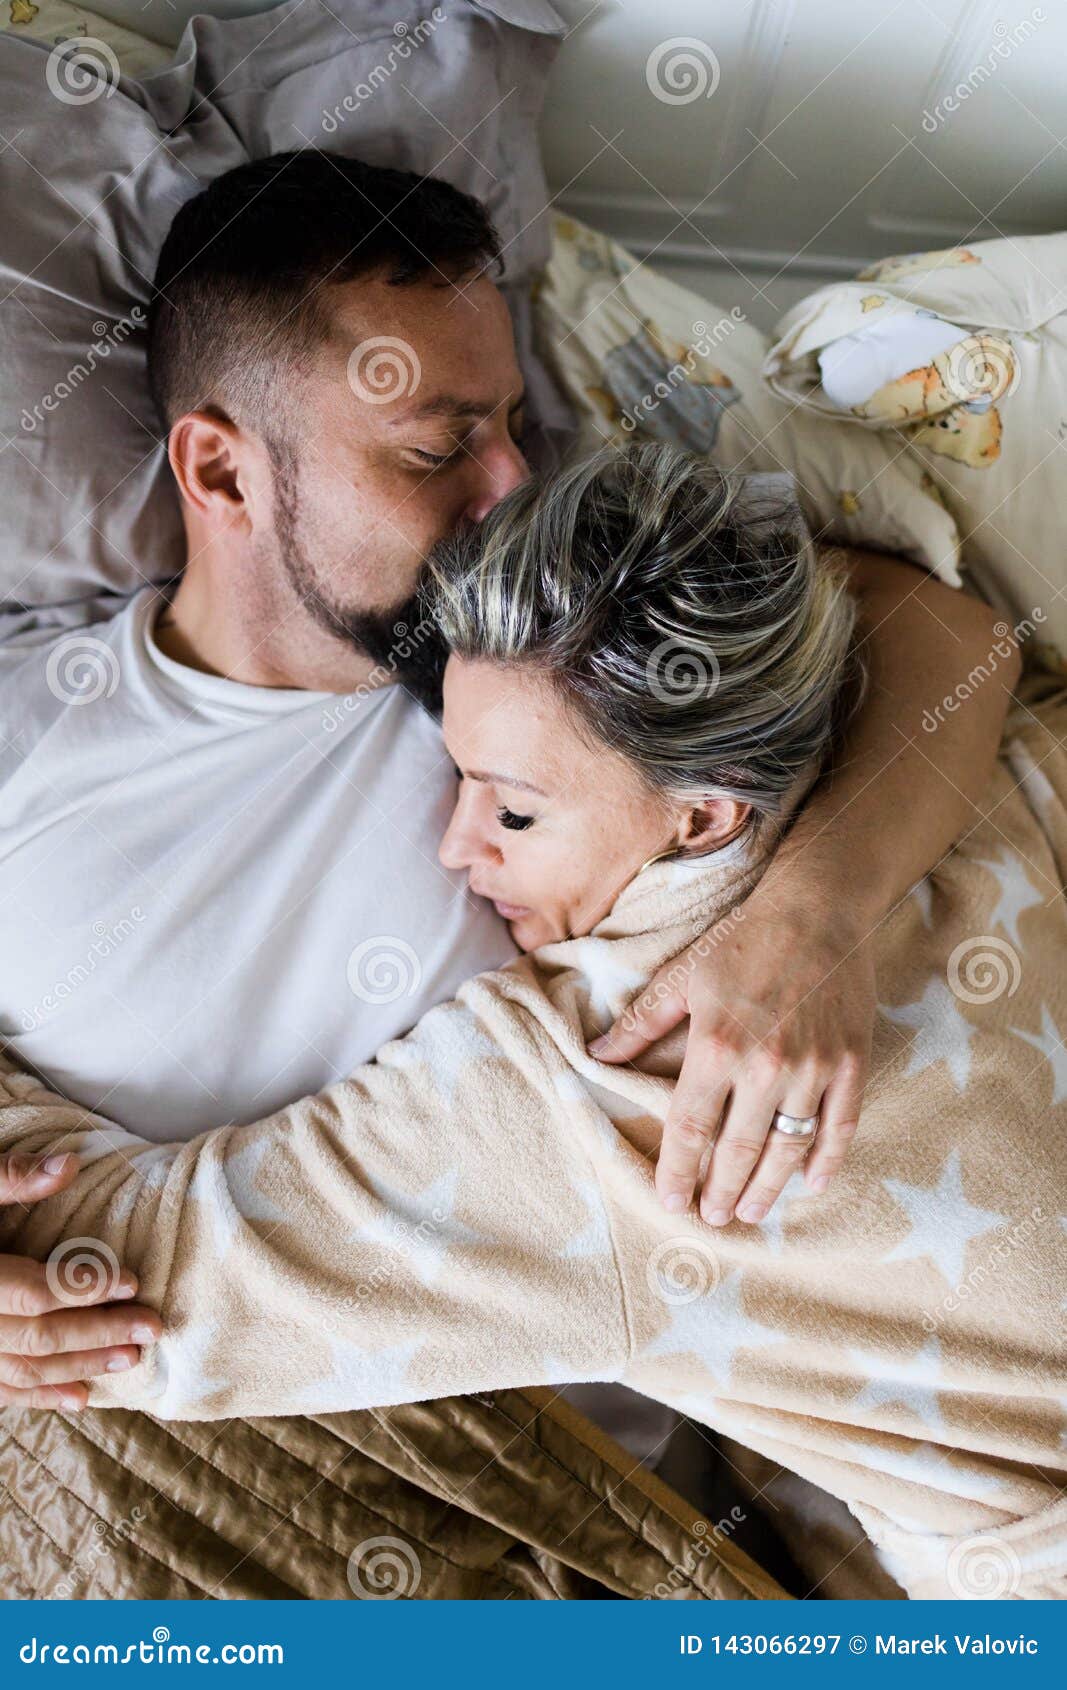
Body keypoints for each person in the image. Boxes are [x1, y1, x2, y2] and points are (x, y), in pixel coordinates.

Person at [0, 152, 1013, 1412]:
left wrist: (808, 919)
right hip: (155, 1395)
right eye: (435, 449)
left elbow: (948, 638)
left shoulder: (558, 631)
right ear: (221, 475)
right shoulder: (33, 727)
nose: (507, 488)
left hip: (596, 1452)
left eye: (512, 424)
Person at [3, 444, 1062, 1600]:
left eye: (512, 808)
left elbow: (113, 1292)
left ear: (701, 818)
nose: (457, 847)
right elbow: (916, 609)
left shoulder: (589, 1091)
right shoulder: (999, 757)